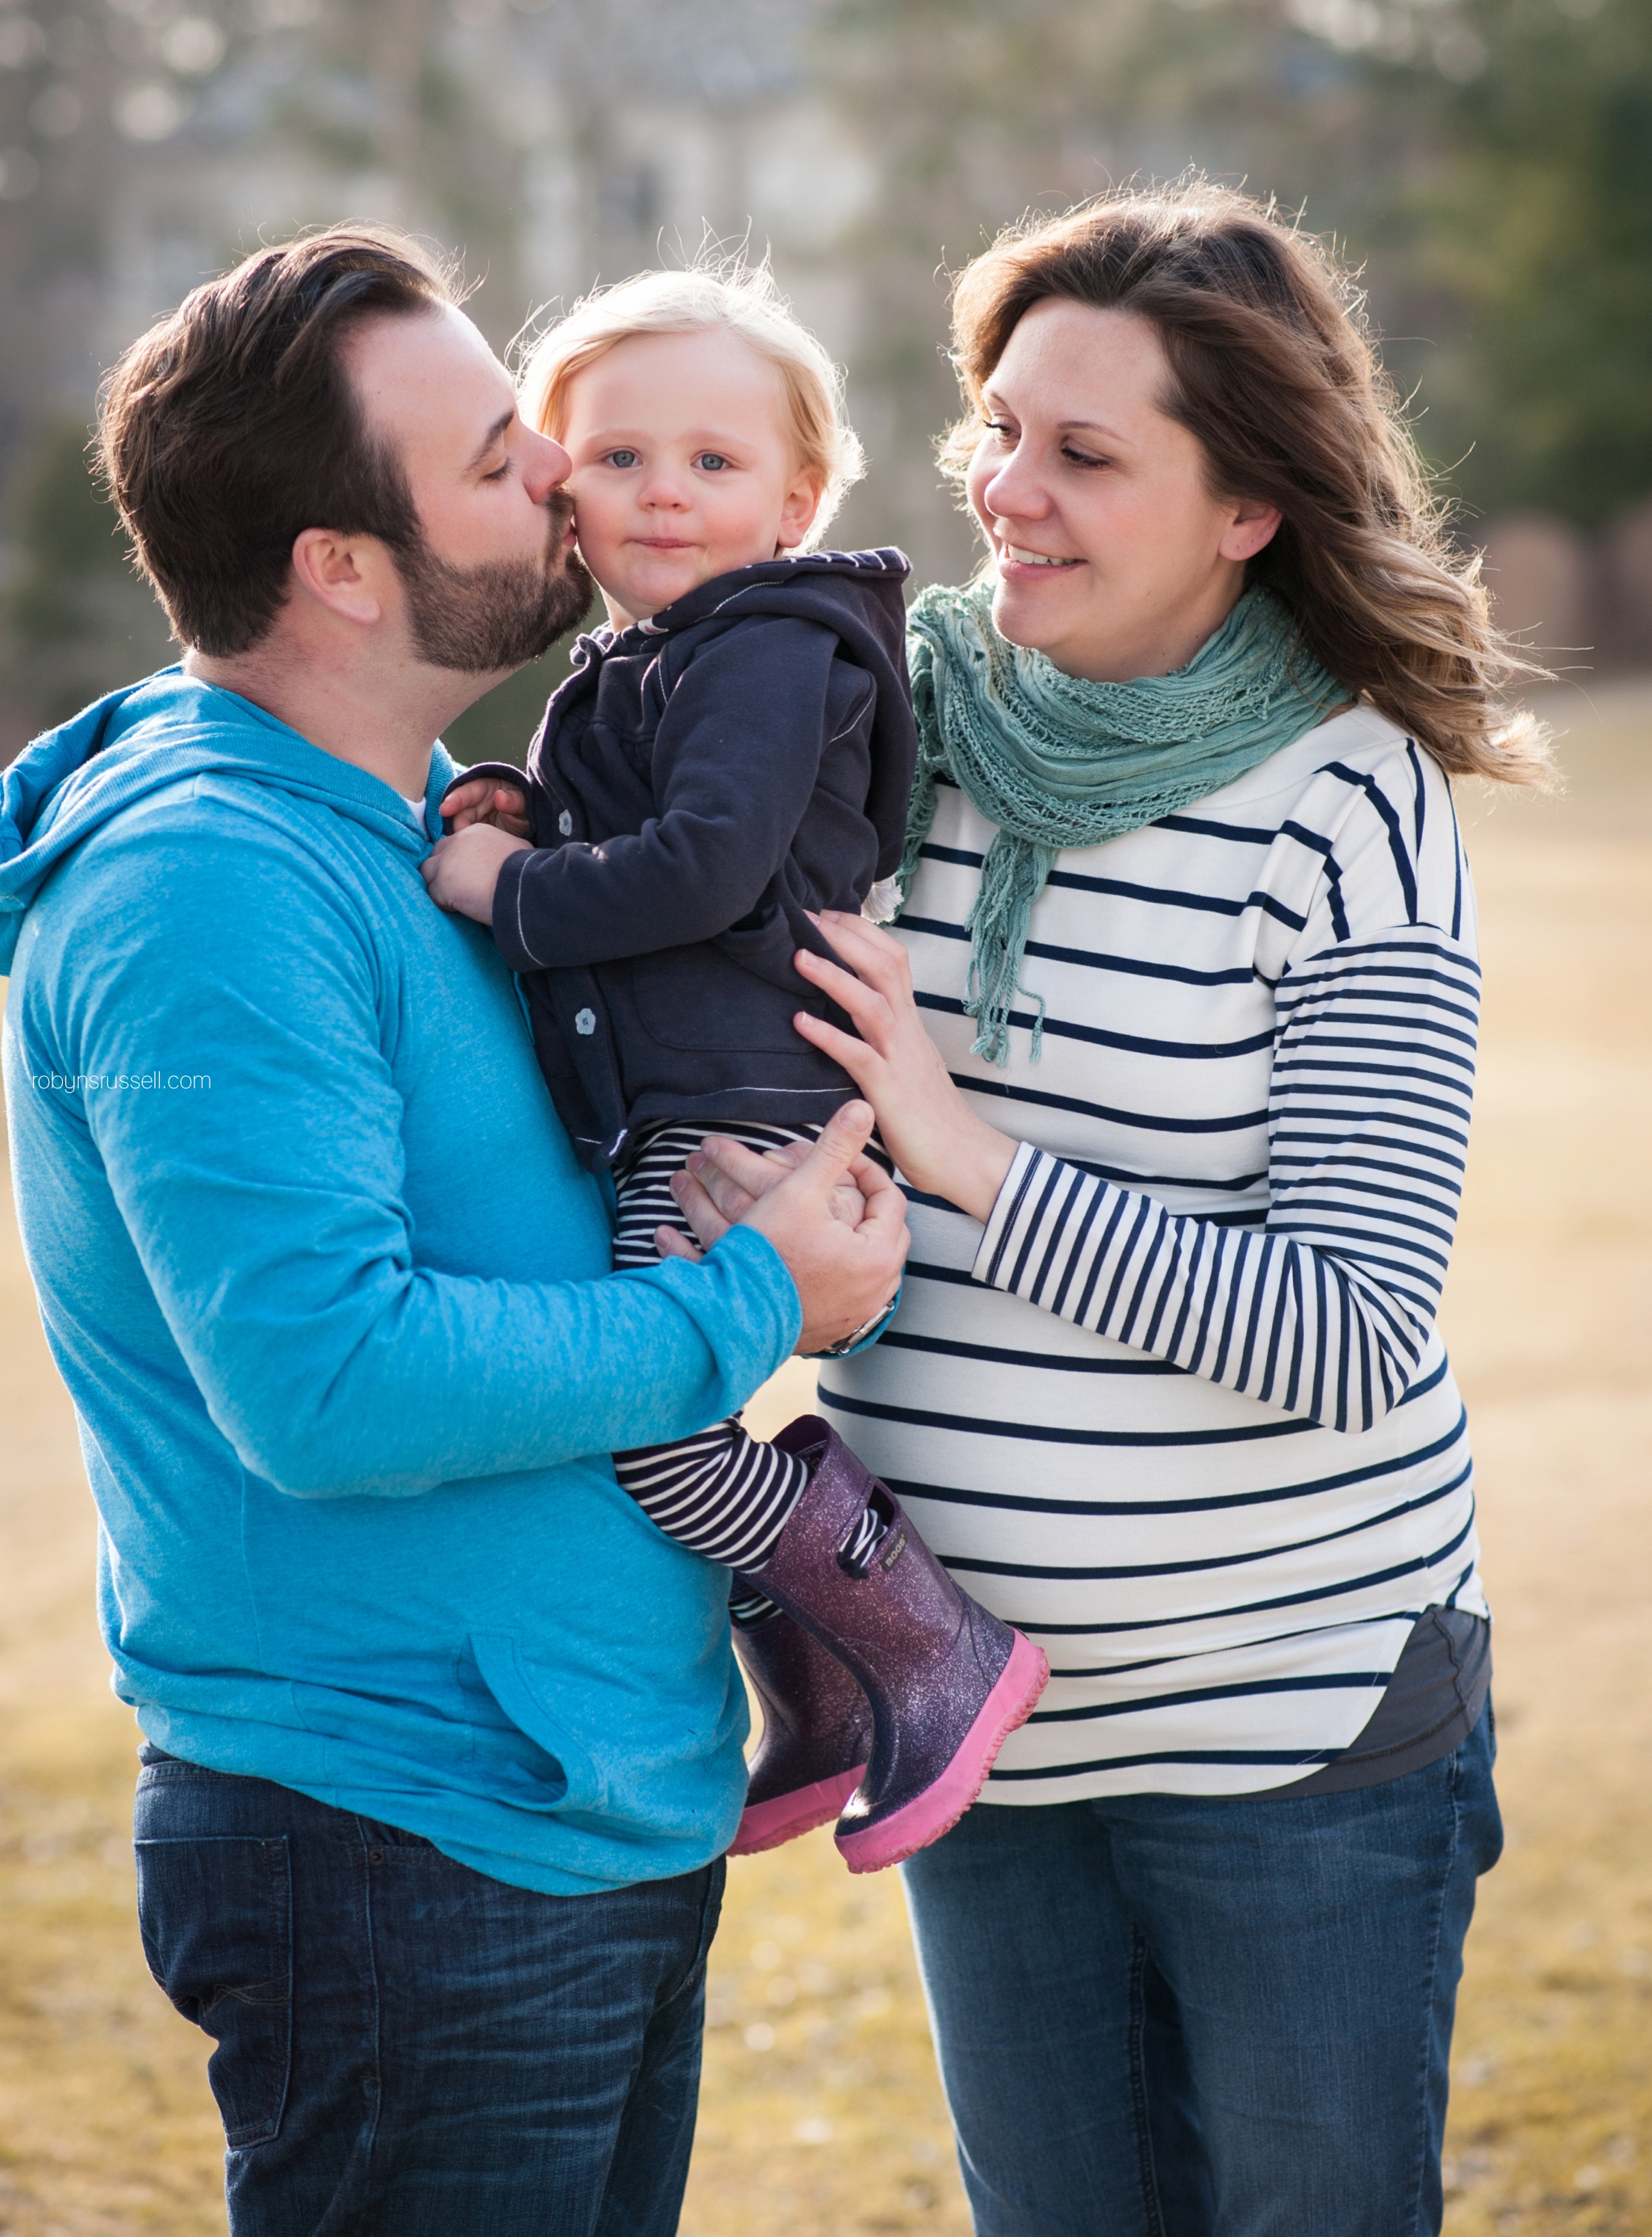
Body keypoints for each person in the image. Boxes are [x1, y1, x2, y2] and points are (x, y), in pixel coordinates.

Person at [0, 227, 909, 2237]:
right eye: (505, 452)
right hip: (404, 1851)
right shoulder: (213, 890)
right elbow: (328, 1388)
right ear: (341, 564)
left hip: (583, 1806)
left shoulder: (413, 820)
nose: (567, 481)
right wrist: (760, 1295)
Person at [670, 184, 1551, 2236]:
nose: (1007, 491)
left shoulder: (1349, 806)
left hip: (1297, 1727)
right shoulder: (878, 710)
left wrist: (967, 1151)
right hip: (972, 1724)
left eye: (1084, 452)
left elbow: (1348, 1328)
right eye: (994, 426)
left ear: (1245, 503)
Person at [420, 263, 1046, 1873]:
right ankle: (824, 1693)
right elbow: (643, 827)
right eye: (616, 458)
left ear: (797, 493)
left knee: (651, 1430)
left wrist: (514, 890)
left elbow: (701, 869)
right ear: (557, 487)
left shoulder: (768, 650)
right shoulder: (646, 661)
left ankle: (924, 1645)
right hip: (688, 1087)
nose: (662, 494)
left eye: (711, 462)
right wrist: (518, 805)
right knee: (666, 1410)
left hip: (748, 1099)